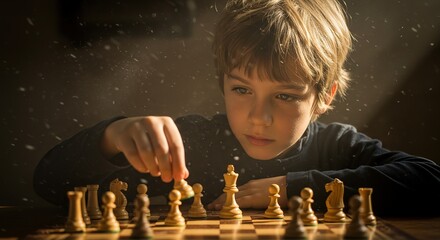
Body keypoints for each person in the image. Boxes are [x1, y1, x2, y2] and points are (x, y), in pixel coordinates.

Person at [34, 0, 440, 216]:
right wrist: (111, 137)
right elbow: (50, 185)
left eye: (284, 96)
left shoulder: (338, 147)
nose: (258, 116)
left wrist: (293, 187)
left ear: (325, 95)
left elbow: (431, 181)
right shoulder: (188, 145)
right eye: (242, 90)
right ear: (222, 83)